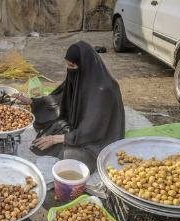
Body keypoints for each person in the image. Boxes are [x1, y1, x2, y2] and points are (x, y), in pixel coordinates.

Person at [14, 41, 125, 172]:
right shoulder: (80, 76)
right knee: (50, 126)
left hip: (99, 138)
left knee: (71, 157)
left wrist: (56, 139)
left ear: (84, 64)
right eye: (67, 64)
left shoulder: (104, 91)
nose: (68, 69)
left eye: (71, 65)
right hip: (79, 128)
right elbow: (59, 98)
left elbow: (93, 130)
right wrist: (32, 102)